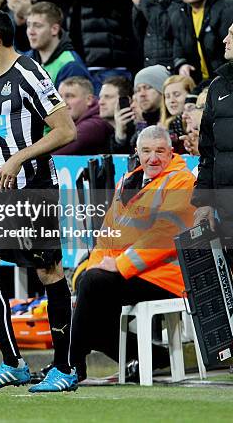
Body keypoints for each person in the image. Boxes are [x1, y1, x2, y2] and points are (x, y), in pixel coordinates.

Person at [0, 9, 78, 392]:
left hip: (34, 188)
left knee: (48, 272)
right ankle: (13, 364)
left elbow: (65, 130)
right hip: (0, 193)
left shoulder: (29, 73)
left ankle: (64, 368)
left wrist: (18, 158)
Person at [69, 125, 196, 381]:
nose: (153, 158)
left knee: (93, 287)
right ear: (137, 153)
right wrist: (96, 264)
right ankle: (151, 357)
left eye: (160, 151)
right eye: (146, 151)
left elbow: (164, 233)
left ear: (171, 153)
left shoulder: (182, 180)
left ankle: (70, 365)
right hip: (133, 273)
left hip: (166, 277)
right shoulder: (127, 181)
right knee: (89, 281)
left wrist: (120, 265)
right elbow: (107, 233)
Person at [193, 21, 233, 232]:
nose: (225, 40)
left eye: (231, 35)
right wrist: (204, 202)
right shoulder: (218, 86)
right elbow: (207, 152)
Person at [172, 0, 233, 83]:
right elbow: (178, 49)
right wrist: (181, 64)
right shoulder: (181, 13)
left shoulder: (228, 6)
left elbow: (227, 54)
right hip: (202, 81)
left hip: (225, 79)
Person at [26, 1, 90, 90]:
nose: (31, 32)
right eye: (28, 25)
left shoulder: (71, 65)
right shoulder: (25, 60)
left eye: (37, 26)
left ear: (54, 29)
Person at [113, 64, 170, 154]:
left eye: (147, 87)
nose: (142, 94)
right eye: (137, 90)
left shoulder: (174, 122)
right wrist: (120, 137)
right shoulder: (134, 126)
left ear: (162, 90)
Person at [159, 74, 196, 153]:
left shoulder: (198, 127)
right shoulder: (161, 128)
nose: (172, 100)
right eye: (167, 96)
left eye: (177, 95)